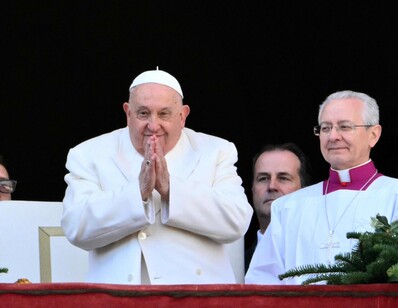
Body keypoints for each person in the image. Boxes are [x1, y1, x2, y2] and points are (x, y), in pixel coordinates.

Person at [61, 68, 253, 285]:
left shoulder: (216, 151)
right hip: (119, 297)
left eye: (164, 114)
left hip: (197, 297)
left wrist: (171, 189)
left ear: (182, 116)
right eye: (143, 113)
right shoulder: (89, 154)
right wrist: (138, 193)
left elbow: (237, 220)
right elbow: (76, 227)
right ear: (128, 113)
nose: (153, 125)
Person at [245, 90, 398, 285]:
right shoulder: (288, 207)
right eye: (325, 128)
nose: (333, 136)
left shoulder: (394, 196)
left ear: (373, 135)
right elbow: (261, 284)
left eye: (344, 127)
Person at [244, 142, 310, 273]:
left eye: (283, 178)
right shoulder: (235, 265)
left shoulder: (321, 255)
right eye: (263, 178)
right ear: (252, 189)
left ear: (305, 190)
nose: (272, 186)